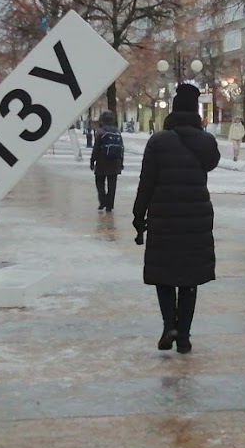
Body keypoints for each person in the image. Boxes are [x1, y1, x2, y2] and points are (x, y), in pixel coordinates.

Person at [133, 84, 221, 353]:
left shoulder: (159, 141)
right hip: (196, 217)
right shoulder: (206, 143)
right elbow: (212, 162)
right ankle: (184, 336)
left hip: (164, 216)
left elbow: (146, 182)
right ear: (195, 111)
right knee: (189, 279)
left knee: (164, 274)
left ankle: (169, 324)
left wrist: (139, 216)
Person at [89, 109, 125, 212]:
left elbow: (96, 148)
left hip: (102, 162)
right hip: (115, 162)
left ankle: (103, 201)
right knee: (112, 184)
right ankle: (110, 205)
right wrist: (121, 163)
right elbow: (121, 148)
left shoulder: (100, 132)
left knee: (99, 182)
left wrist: (92, 161)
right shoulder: (117, 132)